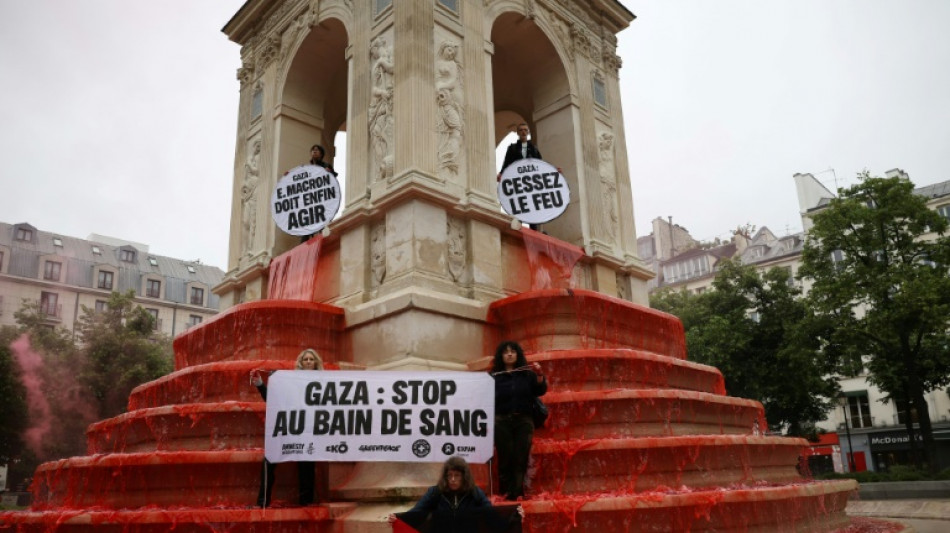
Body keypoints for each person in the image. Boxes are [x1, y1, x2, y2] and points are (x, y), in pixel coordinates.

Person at [250, 349, 324, 508]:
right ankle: (262, 503)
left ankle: (306, 503)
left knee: (307, 466)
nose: (309, 362)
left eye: (312, 359)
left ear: (316, 363)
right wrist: (260, 385)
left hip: (309, 431)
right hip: (288, 429)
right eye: (306, 359)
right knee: (268, 460)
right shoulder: (290, 381)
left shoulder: (325, 382)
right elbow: (274, 400)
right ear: (301, 363)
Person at [388, 456, 523, 533]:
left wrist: (515, 517)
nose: (452, 479)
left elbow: (492, 518)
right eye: (449, 475)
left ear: (464, 477)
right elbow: (417, 513)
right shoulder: (435, 493)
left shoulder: (475, 493)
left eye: (457, 475)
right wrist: (400, 519)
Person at [491, 341, 547, 501]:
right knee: (505, 456)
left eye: (513, 351)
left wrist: (540, 374)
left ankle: (517, 493)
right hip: (501, 420)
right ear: (501, 356)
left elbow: (540, 390)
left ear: (518, 354)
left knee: (520, 457)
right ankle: (505, 493)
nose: (509, 354)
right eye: (506, 352)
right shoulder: (494, 376)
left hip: (524, 420)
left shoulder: (527, 374)